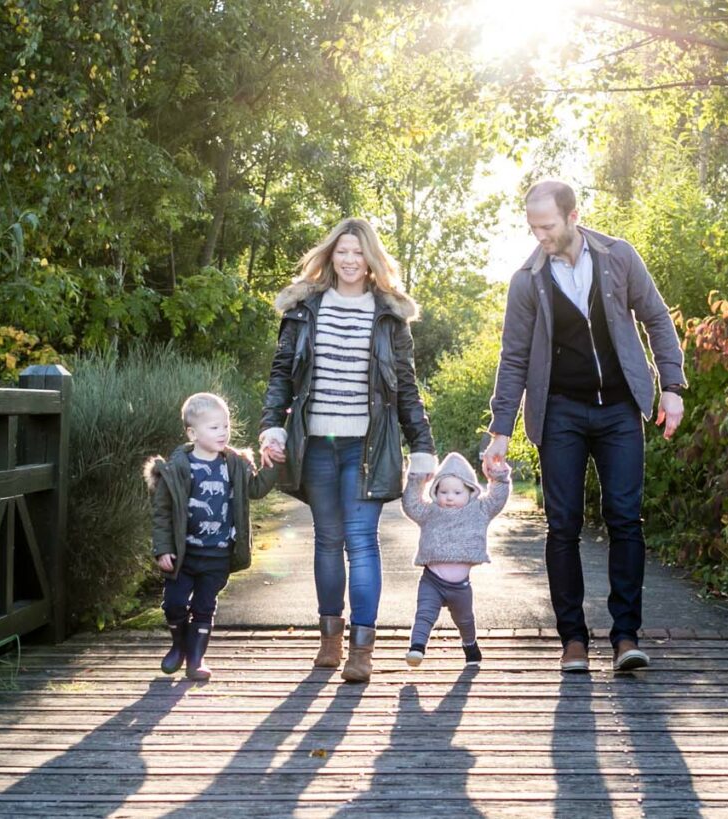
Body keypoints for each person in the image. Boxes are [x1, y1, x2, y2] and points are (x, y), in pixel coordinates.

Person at [482, 179, 686, 673]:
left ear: (573, 217)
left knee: (624, 518)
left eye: (547, 225)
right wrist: (500, 428)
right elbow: (512, 359)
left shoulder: (619, 257)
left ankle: (625, 637)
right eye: (532, 227)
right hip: (560, 413)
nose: (539, 235)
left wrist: (672, 387)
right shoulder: (527, 280)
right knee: (563, 525)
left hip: (619, 409)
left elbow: (657, 319)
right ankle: (572, 639)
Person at [259, 217, 436, 683]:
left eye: (359, 252)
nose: (350, 260)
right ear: (330, 256)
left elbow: (406, 389)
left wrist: (422, 447)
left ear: (371, 259)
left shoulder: (388, 315)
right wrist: (271, 427)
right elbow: (281, 375)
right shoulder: (304, 310)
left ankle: (362, 649)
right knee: (326, 541)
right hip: (316, 443)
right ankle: (329, 639)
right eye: (343, 252)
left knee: (361, 543)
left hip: (368, 446)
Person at [144, 392, 276, 681]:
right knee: (174, 603)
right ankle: (178, 646)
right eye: (214, 427)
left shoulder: (235, 465)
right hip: (184, 554)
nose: (223, 433)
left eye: (226, 426)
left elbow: (255, 490)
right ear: (192, 433)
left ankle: (196, 658)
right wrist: (163, 548)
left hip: (218, 554)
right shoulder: (177, 469)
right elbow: (163, 513)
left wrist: (272, 466)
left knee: (205, 607)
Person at [401, 451, 510, 668]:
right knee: (424, 614)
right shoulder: (430, 511)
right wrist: (416, 479)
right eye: (443, 491)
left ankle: (470, 645)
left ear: (470, 491)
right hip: (431, 580)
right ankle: (417, 648)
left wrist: (498, 477)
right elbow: (411, 504)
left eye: (457, 492)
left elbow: (497, 499)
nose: (449, 497)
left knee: (465, 619)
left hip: (460, 586)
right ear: (435, 491)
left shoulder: (479, 510)